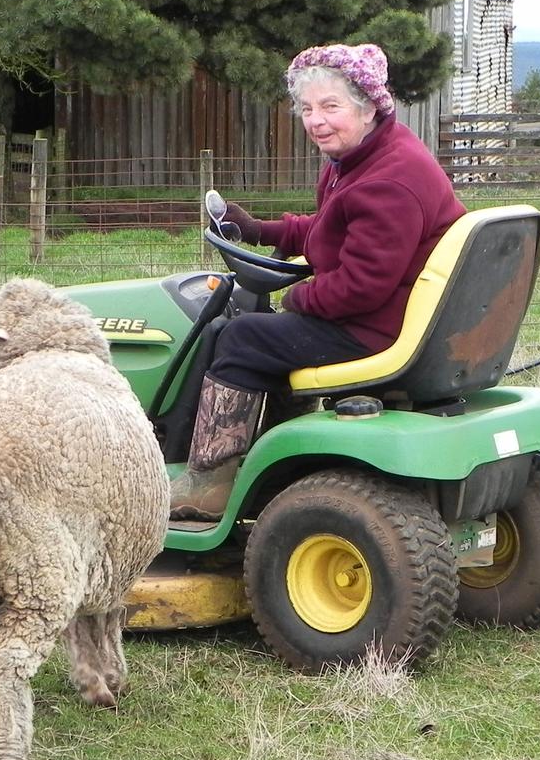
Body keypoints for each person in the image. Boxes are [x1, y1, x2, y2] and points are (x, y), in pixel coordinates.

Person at [170, 42, 466, 521]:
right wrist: (263, 230)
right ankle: (245, 466)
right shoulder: (365, 159)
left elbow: (362, 284)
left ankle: (208, 484)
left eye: (331, 107)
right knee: (243, 334)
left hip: (377, 327)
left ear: (370, 105)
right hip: (392, 315)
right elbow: (333, 228)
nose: (316, 121)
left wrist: (298, 296)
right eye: (307, 109)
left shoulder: (387, 181)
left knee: (241, 336)